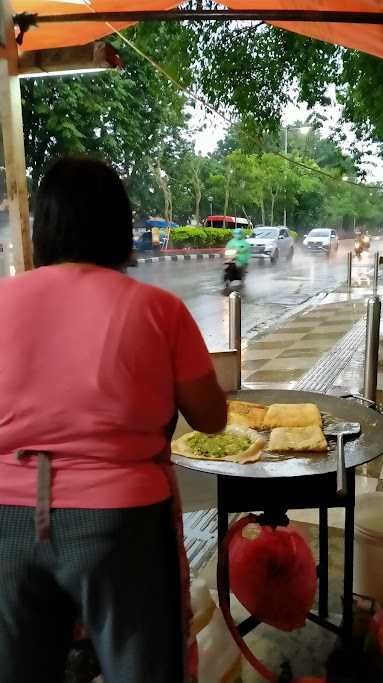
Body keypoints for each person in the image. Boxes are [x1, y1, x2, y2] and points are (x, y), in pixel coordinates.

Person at [0, 156, 227, 683]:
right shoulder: (158, 309)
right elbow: (211, 418)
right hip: (121, 523)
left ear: (45, 227)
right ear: (119, 226)